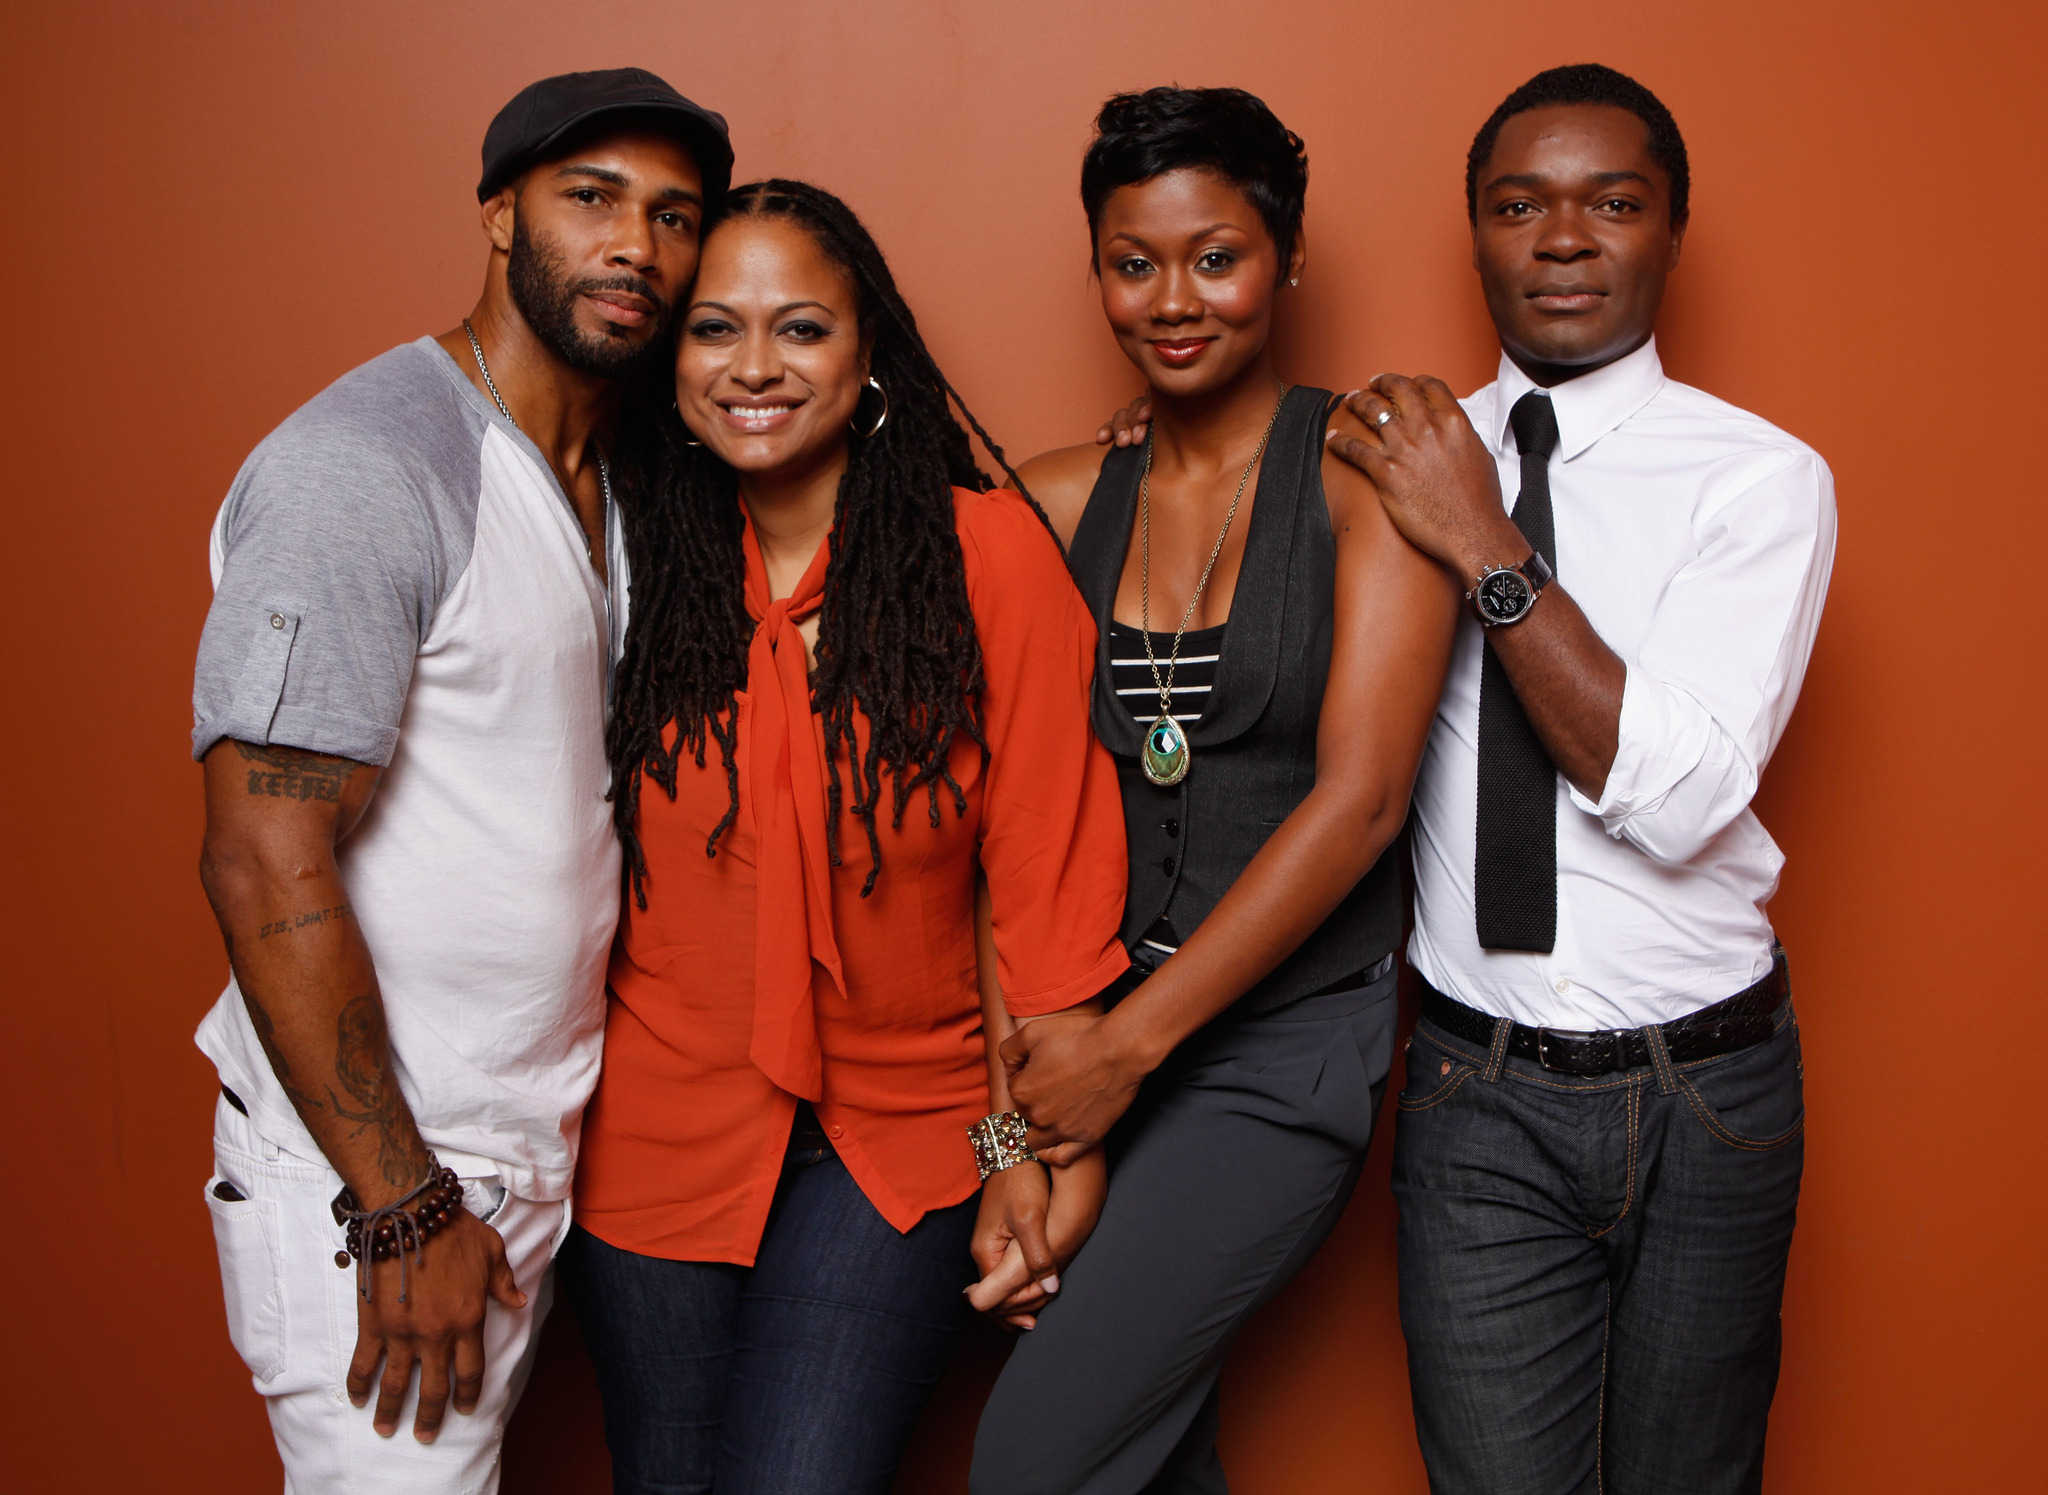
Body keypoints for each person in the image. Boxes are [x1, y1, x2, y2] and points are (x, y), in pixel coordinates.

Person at [191, 69, 730, 1493]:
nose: (637, 247)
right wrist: (399, 1204)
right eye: (592, 198)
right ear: (500, 215)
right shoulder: (370, 465)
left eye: (675, 219)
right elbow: (261, 856)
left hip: (527, 1149)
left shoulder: (617, 473)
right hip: (383, 1176)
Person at [557, 178, 1131, 1495]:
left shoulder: (982, 559)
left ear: (869, 354)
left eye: (802, 329)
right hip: (653, 1134)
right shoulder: (622, 560)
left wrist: (1030, 1160)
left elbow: (1033, 893)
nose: (755, 367)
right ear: (666, 354)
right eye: (713, 330)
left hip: (913, 1133)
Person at [1324, 64, 1837, 1493]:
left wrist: (1483, 540)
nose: (1563, 239)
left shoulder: (1758, 479)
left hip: (1709, 1092)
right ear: (1476, 232)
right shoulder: (1382, 455)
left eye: (1613, 203)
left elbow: (1672, 793)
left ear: (1671, 229)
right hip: (1475, 1084)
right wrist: (1156, 458)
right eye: (1519, 204)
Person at [970, 88, 1458, 1495]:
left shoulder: (1369, 474)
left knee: (1034, 1464)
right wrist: (1009, 1137)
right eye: (1134, 264)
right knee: (1153, 1457)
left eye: (1215, 257)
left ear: (1286, 260)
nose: (1173, 301)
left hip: (1274, 1053)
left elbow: (1362, 804)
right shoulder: (1055, 501)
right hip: (1072, 1055)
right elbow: (1002, 842)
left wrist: (1125, 1059)